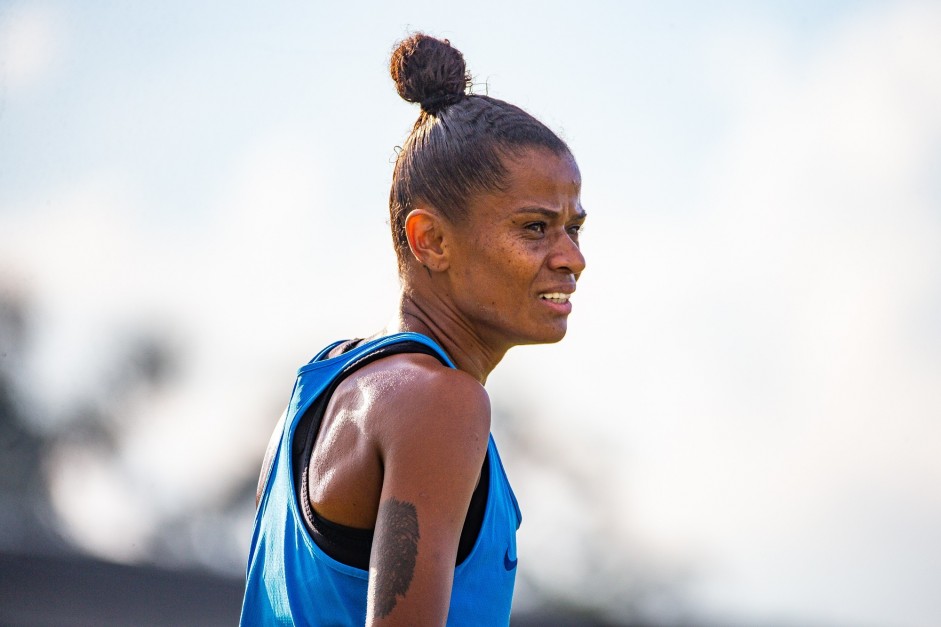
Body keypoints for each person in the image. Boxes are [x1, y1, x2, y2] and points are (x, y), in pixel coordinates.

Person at [240, 32, 586, 626]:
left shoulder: (316, 388)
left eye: (573, 229)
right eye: (535, 228)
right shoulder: (440, 403)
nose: (571, 259)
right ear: (431, 239)